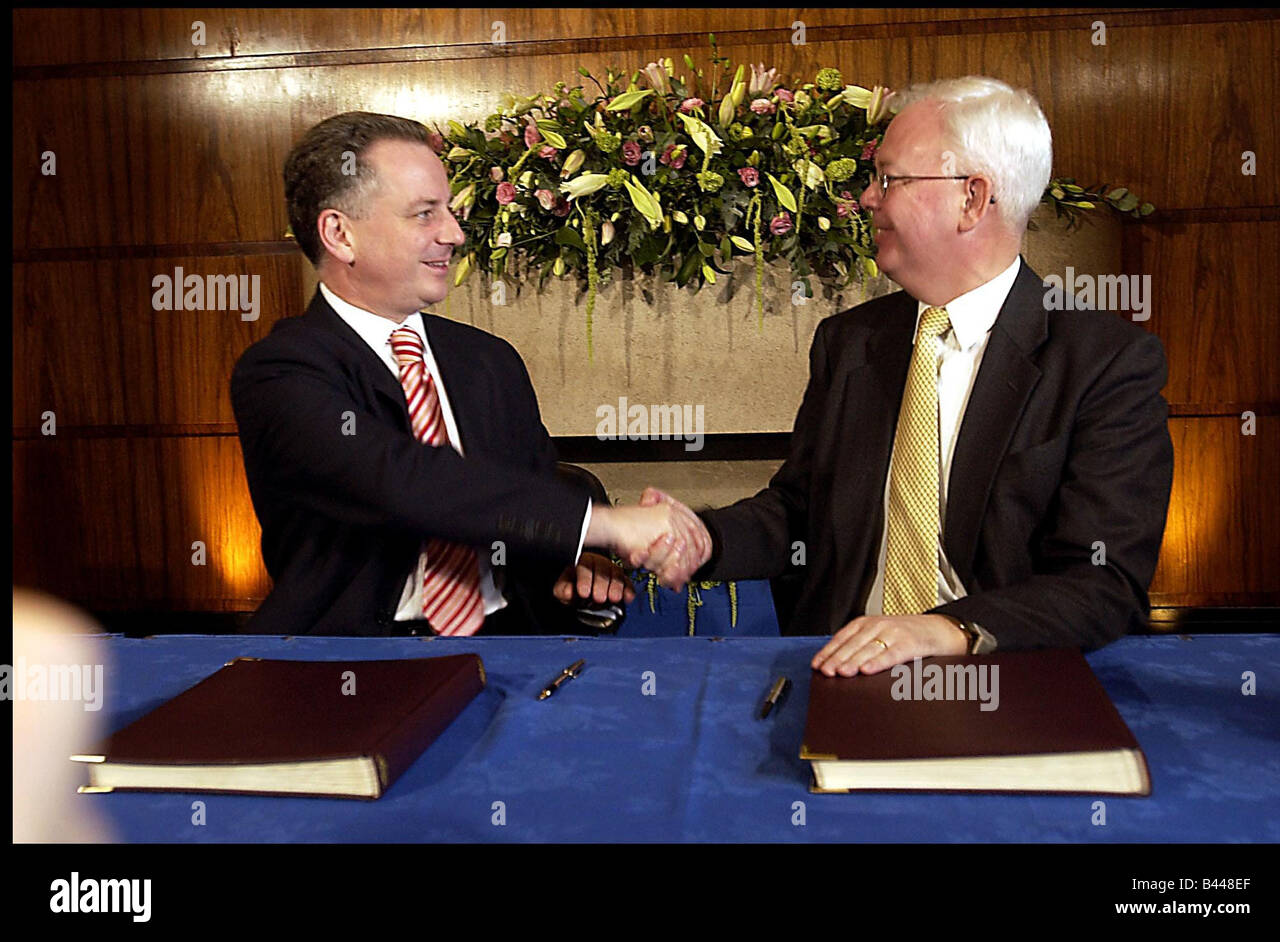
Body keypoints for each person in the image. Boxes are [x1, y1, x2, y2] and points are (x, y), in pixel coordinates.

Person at [639, 77, 1174, 676]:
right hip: (842, 672)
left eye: (889, 179)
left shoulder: (1106, 364)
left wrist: (946, 631)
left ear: (972, 198)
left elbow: (1102, 583)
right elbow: (797, 511)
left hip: (1006, 679)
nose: (868, 198)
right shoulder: (850, 343)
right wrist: (704, 538)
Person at [231, 112, 708, 637]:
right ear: (340, 234)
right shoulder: (279, 373)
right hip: (355, 665)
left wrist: (569, 560)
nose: (455, 234)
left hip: (511, 644)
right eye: (424, 214)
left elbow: (525, 494)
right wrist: (608, 523)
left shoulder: (490, 360)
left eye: (451, 212)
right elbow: (403, 481)